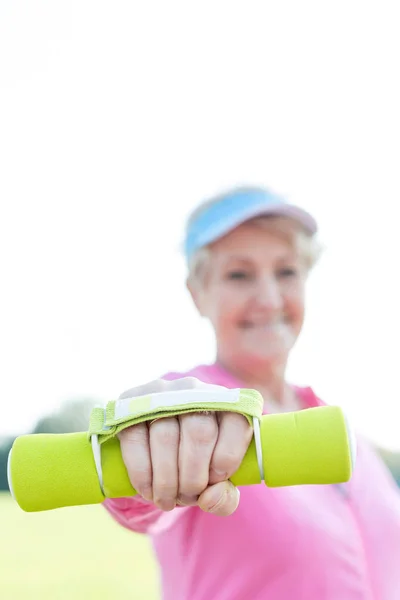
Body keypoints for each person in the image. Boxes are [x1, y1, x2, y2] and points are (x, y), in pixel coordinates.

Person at [104, 186, 400, 600]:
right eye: (239, 275)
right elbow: (139, 500)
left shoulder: (336, 423)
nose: (269, 298)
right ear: (197, 293)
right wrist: (147, 438)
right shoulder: (193, 407)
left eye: (287, 272)